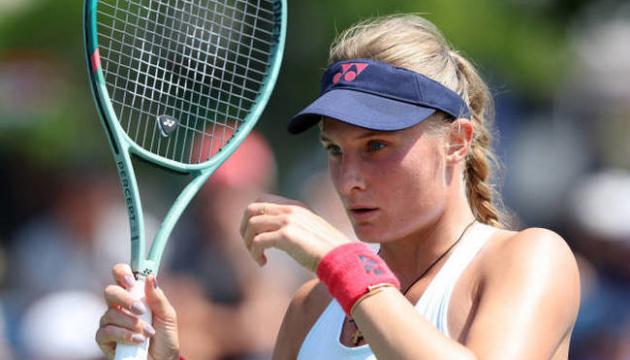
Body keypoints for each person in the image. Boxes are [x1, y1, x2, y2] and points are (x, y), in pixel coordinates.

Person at [96, 14, 580, 359]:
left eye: (376, 147)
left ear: (456, 141)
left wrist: (346, 264)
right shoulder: (313, 305)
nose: (349, 179)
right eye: (334, 150)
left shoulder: (528, 259)